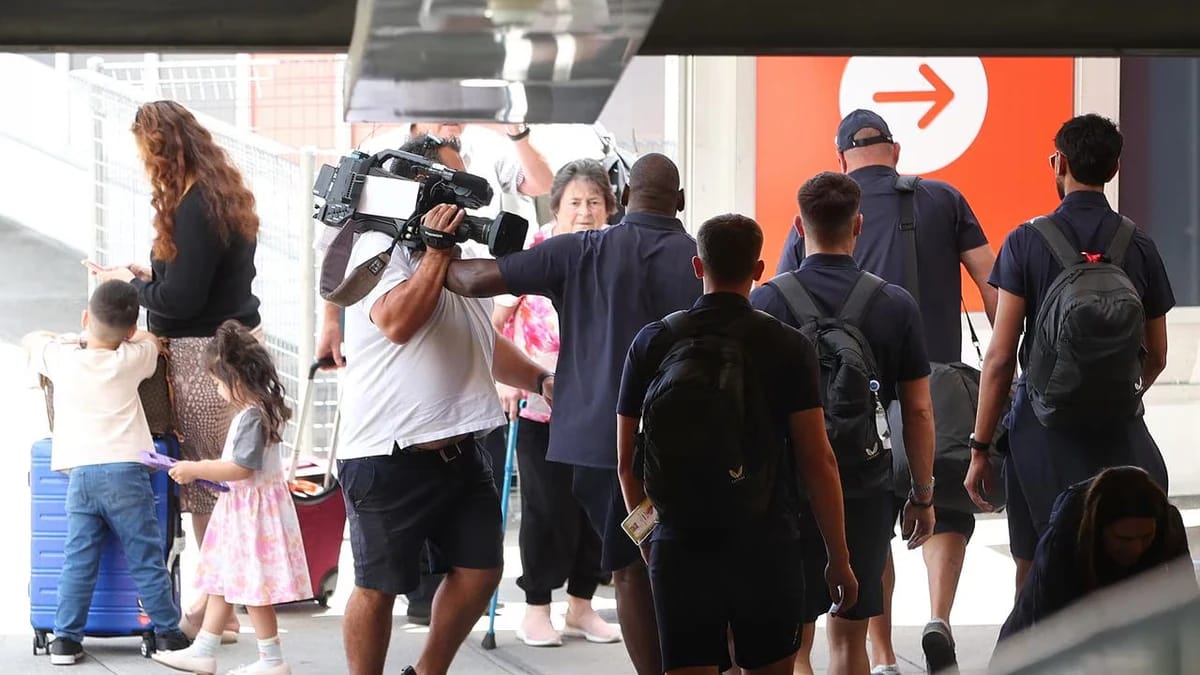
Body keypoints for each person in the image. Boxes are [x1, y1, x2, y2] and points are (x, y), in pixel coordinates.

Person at [444, 153, 704, 675]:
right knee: (696, 566)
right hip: (694, 445)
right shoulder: (703, 257)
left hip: (604, 446)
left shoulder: (578, 250)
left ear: (623, 196)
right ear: (679, 202)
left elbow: (470, 280)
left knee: (630, 568)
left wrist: (428, 244)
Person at [777, 109, 998, 674]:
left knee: (866, 515)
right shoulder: (944, 198)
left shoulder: (811, 215)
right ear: (895, 152)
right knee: (944, 504)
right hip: (935, 380)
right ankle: (939, 619)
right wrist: (1007, 364)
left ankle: (879, 653)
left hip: (845, 402)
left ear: (842, 158)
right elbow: (991, 281)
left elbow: (783, 315)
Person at [615, 213, 858, 675]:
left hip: (680, 541)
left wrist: (652, 541)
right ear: (760, 269)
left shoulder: (653, 341)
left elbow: (627, 463)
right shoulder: (787, 346)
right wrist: (839, 557)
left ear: (697, 266)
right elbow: (817, 460)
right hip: (765, 542)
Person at [333, 195, 557, 675]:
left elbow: (481, 340)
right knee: (379, 586)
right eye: (451, 187)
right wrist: (435, 253)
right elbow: (396, 322)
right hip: (386, 453)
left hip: (460, 447)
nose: (464, 201)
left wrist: (540, 379)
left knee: (481, 570)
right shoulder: (378, 246)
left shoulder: (460, 254)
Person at [967, 114, 1174, 599]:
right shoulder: (1138, 244)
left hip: (1041, 435)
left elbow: (999, 358)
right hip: (1119, 435)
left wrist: (979, 448)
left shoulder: (1025, 242)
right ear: (1115, 167)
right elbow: (1159, 353)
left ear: (1058, 162)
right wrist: (1118, 392)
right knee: (1122, 569)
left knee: (1035, 567)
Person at [87, 99, 264, 642]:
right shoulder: (219, 195)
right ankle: (221, 609)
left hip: (201, 355)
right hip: (229, 344)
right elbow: (192, 281)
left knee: (211, 491)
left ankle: (217, 615)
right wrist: (151, 274)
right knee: (218, 489)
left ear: (160, 151)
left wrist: (130, 282)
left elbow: (180, 303)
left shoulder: (193, 207)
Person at [751, 172, 936, 675]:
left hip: (786, 490)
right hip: (864, 486)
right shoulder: (895, 304)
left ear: (797, 227)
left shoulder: (766, 304)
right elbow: (918, 410)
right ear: (858, 225)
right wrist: (921, 494)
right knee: (849, 638)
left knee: (792, 640)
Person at [22, 280, 191, 666]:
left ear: (86, 318)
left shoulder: (62, 359)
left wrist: (70, 337)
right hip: (127, 473)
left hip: (80, 475)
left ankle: (65, 639)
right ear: (128, 332)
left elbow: (33, 339)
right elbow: (150, 340)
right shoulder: (131, 359)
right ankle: (167, 632)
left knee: (78, 559)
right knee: (145, 556)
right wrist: (131, 337)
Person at [492, 159, 621, 647]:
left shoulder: (616, 252)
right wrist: (506, 378)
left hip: (599, 405)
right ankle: (537, 606)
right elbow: (497, 320)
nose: (585, 212)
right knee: (548, 507)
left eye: (594, 202)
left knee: (598, 507)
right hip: (540, 403)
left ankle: (582, 606)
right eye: (575, 203)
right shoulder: (538, 252)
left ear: (609, 207)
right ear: (557, 207)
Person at [151, 321, 310, 675]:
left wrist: (196, 469)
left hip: (250, 517)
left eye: (218, 383)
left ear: (236, 380)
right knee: (222, 580)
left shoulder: (251, 417)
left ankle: (272, 661)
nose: (218, 389)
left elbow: (241, 468)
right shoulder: (259, 411)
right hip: (243, 513)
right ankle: (203, 650)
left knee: (253, 589)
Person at [998, 466, 1192, 639]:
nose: (1136, 549)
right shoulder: (1064, 542)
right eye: (1123, 539)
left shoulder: (1169, 526)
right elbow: (1050, 635)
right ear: (1097, 530)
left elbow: (1186, 602)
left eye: (1146, 536)